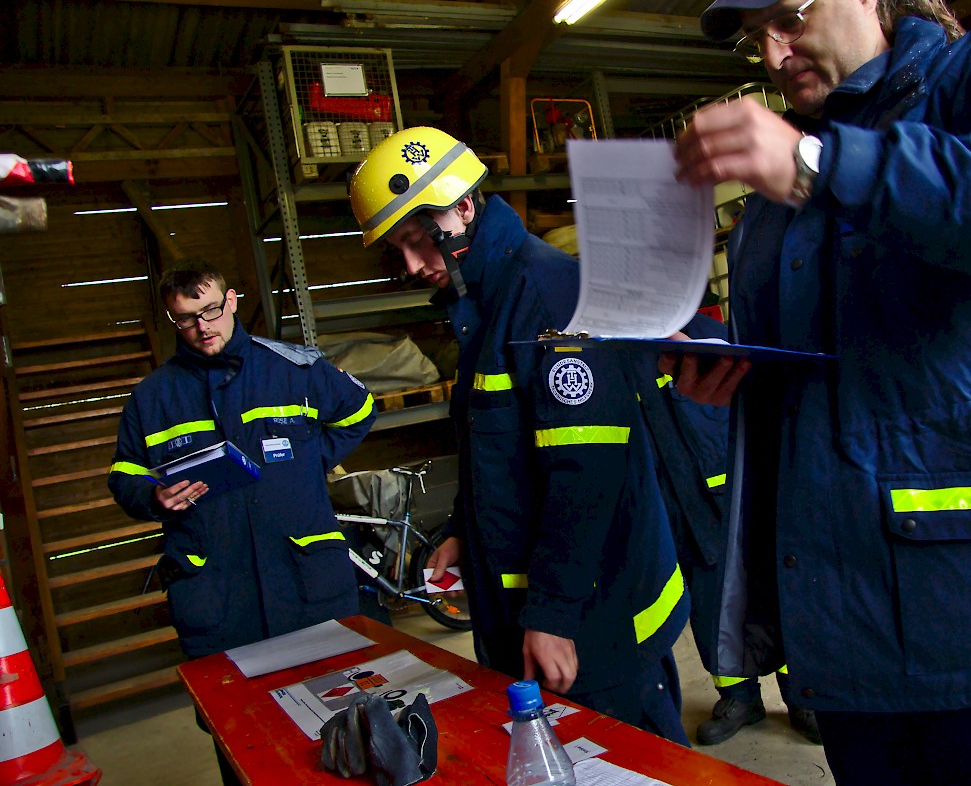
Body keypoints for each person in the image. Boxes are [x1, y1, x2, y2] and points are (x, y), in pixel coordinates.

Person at [663, 0, 971, 783]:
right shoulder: (775, 199)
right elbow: (837, 366)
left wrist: (816, 166)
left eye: (790, 20)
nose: (773, 57)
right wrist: (730, 370)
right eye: (756, 38)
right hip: (855, 648)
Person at [347, 127, 691, 744]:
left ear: (462, 208)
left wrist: (555, 615)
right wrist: (459, 528)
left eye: (417, 241)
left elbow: (587, 470)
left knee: (636, 763)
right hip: (543, 618)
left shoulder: (545, 296)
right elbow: (496, 450)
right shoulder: (486, 304)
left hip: (598, 620)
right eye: (397, 250)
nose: (413, 265)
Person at [108, 259, 376, 782]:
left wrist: (311, 460)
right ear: (173, 319)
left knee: (345, 725)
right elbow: (123, 477)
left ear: (231, 300)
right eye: (186, 319)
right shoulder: (153, 397)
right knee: (244, 744)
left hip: (306, 584)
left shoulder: (294, 369)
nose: (202, 327)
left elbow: (359, 408)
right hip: (219, 596)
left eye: (210, 310)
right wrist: (155, 495)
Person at [643, 312, 822, 746]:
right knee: (709, 609)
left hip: (733, 501)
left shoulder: (710, 339)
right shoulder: (620, 357)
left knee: (770, 598)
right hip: (678, 511)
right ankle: (739, 697)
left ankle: (802, 695)